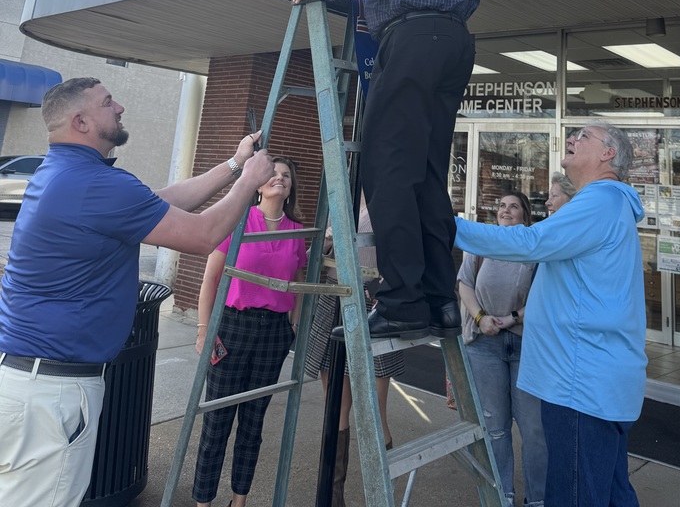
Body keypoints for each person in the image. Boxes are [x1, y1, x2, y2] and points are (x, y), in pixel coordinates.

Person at [0, 76, 275, 507]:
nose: (121, 107)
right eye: (108, 102)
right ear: (82, 121)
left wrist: (235, 165)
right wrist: (251, 180)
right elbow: (204, 235)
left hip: (27, 381)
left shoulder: (66, 174)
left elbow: (161, 201)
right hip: (51, 394)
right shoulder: (94, 184)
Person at [292, 0, 480, 341]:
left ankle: (400, 301)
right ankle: (440, 301)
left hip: (416, 40)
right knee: (422, 173)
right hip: (452, 42)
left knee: (386, 166)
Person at [454, 122, 646, 507]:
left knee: (575, 493)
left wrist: (448, 228)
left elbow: (530, 242)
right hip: (595, 382)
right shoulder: (606, 204)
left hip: (581, 386)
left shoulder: (601, 199)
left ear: (608, 154)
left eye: (583, 136)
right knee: (608, 492)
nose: (571, 139)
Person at [192, 155, 307, 507]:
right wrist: (203, 330)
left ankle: (238, 502)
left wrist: (293, 325)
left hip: (273, 334)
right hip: (233, 327)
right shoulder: (239, 222)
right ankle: (203, 502)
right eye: (273, 173)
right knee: (217, 422)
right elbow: (211, 279)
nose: (280, 178)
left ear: (291, 188)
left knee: (253, 425)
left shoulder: (298, 232)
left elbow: (298, 282)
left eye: (286, 175)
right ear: (257, 184)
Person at [304, 200, 404, 506]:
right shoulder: (340, 193)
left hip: (372, 306)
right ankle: (333, 500)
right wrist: (327, 241)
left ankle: (380, 497)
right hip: (333, 301)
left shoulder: (389, 191)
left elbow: (404, 254)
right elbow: (313, 258)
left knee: (375, 416)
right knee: (336, 411)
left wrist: (380, 290)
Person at [458, 191, 547, 507]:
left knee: (534, 431)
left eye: (514, 207)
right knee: (495, 427)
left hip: (525, 345)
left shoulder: (535, 246)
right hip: (485, 345)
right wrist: (481, 318)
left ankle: (537, 499)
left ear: (525, 215)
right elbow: (464, 284)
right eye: (501, 206)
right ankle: (502, 495)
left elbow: (543, 296)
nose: (506, 211)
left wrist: (511, 319)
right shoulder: (482, 244)